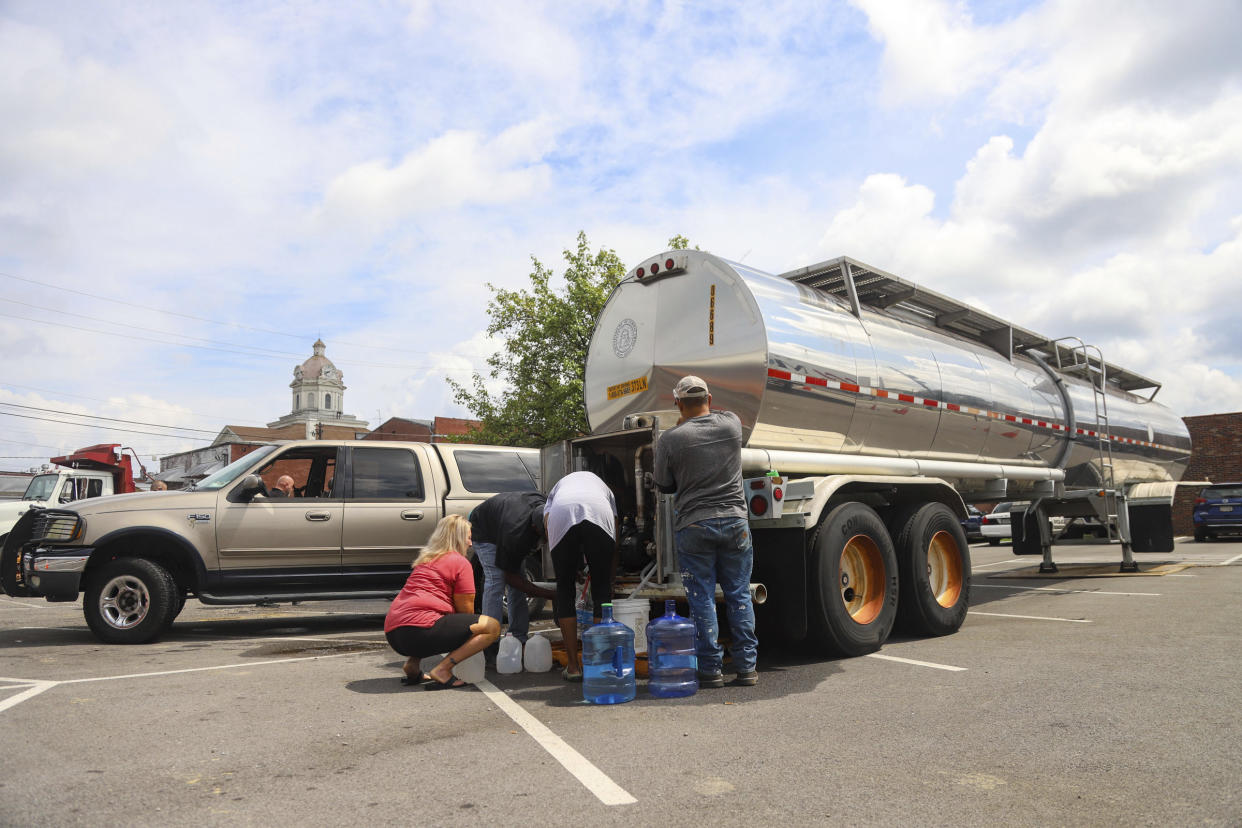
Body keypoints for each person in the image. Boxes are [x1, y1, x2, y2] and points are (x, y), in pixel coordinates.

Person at [652, 375, 758, 688]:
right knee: (739, 594)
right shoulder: (731, 425)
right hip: (735, 523)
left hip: (694, 525)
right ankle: (747, 668)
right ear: (709, 399)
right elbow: (722, 412)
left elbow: (663, 485)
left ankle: (711, 671)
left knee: (702, 599)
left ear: (677, 404)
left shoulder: (670, 440)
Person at [383, 514, 500, 689]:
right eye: (468, 538)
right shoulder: (460, 562)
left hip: (394, 635)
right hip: (417, 633)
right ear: (458, 538)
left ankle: (412, 665)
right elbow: (465, 612)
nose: (470, 543)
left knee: (430, 617)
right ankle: (443, 670)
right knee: (491, 626)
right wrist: (470, 644)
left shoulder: (425, 561)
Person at [543, 470, 617, 682]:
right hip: (599, 512)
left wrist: (566, 565)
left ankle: (574, 667)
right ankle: (598, 664)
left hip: (560, 513)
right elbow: (614, 531)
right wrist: (609, 572)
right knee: (601, 589)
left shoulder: (558, 488)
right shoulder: (604, 489)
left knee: (564, 588)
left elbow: (549, 527)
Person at [469, 491, 556, 648]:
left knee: (518, 586)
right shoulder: (515, 533)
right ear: (535, 527)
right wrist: (549, 595)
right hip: (484, 530)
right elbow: (510, 577)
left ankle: (519, 638)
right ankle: (490, 642)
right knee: (496, 581)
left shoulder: (549, 506)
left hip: (504, 516)